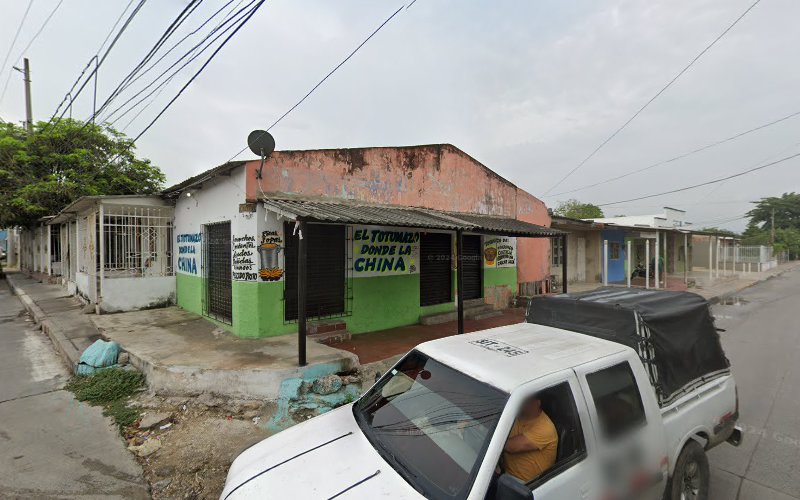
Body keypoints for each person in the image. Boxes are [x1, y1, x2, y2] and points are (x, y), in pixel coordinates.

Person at [501, 395, 558, 482]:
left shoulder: (545, 428)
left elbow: (511, 447)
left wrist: (488, 440)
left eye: (526, 400)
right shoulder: (517, 416)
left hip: (527, 484)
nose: (521, 403)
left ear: (537, 403)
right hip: (505, 474)